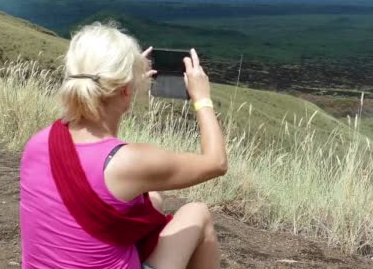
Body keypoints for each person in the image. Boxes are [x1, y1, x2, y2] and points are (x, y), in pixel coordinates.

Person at [20, 22, 227, 269]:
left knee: (152, 198)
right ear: (125, 90)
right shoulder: (129, 163)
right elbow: (216, 162)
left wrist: (123, 86)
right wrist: (202, 98)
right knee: (198, 212)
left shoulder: (38, 142)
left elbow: (96, 150)